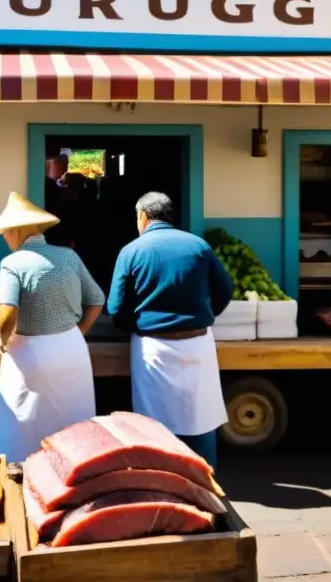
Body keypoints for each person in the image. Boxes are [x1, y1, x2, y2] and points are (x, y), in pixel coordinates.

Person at [106, 192, 232, 467]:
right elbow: (225, 290)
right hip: (198, 342)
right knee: (200, 417)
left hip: (153, 347)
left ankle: (162, 482)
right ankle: (205, 482)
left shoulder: (132, 251)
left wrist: (133, 327)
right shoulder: (199, 246)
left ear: (143, 217)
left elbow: (115, 308)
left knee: (154, 423)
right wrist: (205, 316)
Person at [0, 191, 105, 464]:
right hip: (72, 349)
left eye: (5, 232)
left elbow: (8, 311)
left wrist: (0, 339)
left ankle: (21, 479)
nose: (4, 238)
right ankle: (75, 478)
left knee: (22, 422)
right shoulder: (69, 257)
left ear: (16, 231)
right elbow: (97, 300)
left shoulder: (12, 263)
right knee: (73, 420)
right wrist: (78, 332)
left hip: (30, 353)